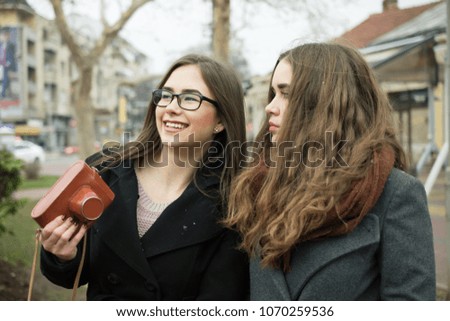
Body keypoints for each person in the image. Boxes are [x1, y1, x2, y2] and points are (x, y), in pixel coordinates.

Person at [225, 42, 436, 300]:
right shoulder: (259, 187)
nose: (270, 106)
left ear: (325, 104)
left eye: (286, 94)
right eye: (274, 93)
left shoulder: (395, 194)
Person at [39, 54, 249, 300]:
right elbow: (75, 273)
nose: (171, 107)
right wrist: (62, 255)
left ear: (221, 121)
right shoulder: (104, 170)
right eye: (166, 95)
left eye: (190, 98)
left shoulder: (234, 204)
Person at [0, 28, 16, 99]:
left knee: (6, 78)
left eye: (6, 35)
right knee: (5, 80)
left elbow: (12, 57)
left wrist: (8, 63)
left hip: (7, 65)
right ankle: (6, 93)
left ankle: (3, 94)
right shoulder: (0, 44)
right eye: (3, 35)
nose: (4, 37)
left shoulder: (11, 45)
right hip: (1, 64)